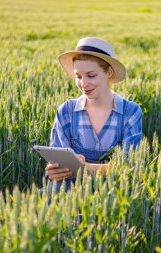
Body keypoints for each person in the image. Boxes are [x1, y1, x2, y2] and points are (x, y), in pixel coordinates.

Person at [44, 37, 142, 193]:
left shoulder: (130, 112)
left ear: (109, 72)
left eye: (91, 75)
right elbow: (58, 164)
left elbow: (129, 167)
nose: (83, 84)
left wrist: (84, 167)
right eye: (78, 76)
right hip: (70, 191)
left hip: (115, 191)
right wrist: (53, 171)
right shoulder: (66, 111)